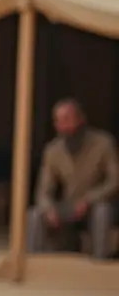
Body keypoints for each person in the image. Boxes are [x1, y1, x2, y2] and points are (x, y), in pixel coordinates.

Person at [27, 98, 118, 260]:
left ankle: (100, 261)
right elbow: (44, 189)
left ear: (81, 119)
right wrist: (48, 208)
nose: (64, 126)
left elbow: (114, 180)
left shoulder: (103, 143)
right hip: (69, 205)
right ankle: (36, 262)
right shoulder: (53, 150)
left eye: (68, 119)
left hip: (96, 203)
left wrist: (89, 199)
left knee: (102, 211)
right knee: (34, 215)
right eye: (58, 121)